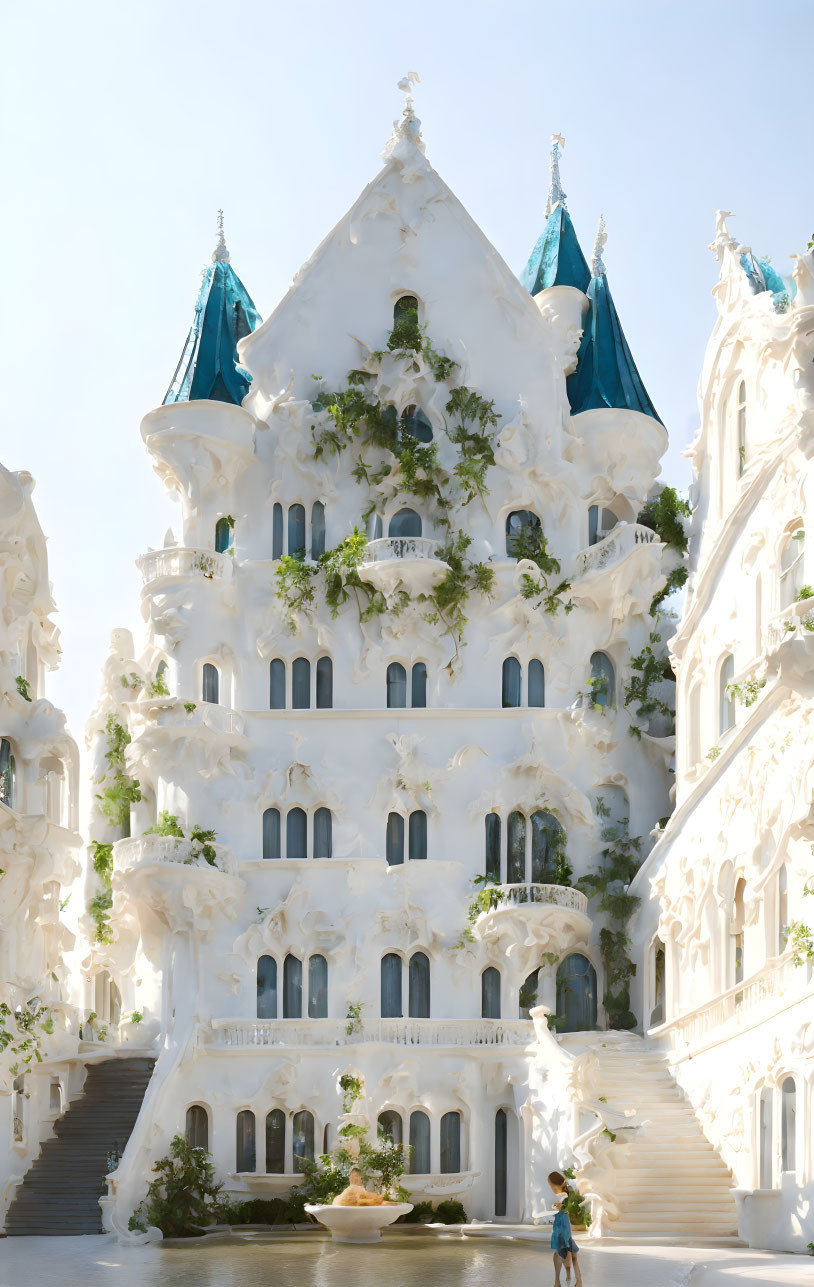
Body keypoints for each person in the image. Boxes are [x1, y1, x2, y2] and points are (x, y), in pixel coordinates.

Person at [547, 1171, 582, 1286]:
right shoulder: (566, 1193)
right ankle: (573, 1280)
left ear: (554, 1184)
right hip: (563, 1223)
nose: (551, 1188)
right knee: (569, 1253)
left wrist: (559, 1207)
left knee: (560, 1251)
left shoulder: (564, 1195)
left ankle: (560, 1280)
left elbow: (565, 1207)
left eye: (551, 1185)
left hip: (561, 1224)